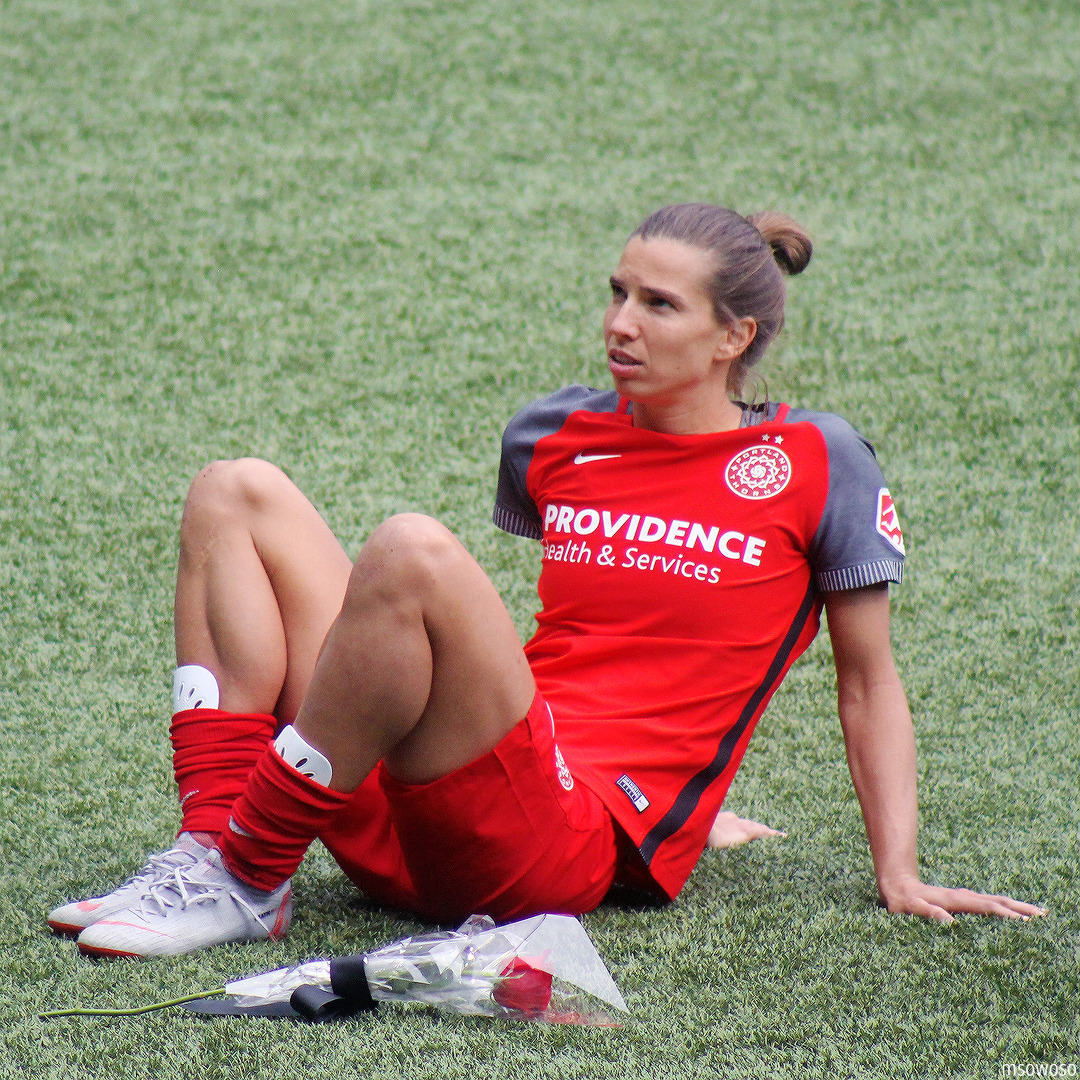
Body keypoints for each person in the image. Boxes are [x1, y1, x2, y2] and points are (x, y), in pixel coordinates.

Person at [48, 204, 1044, 958]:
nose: (620, 323)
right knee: (234, 492)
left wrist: (896, 868)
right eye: (617, 293)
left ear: (733, 337)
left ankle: (250, 867)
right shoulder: (555, 431)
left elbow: (867, 679)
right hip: (430, 799)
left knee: (413, 552)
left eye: (658, 304)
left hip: (557, 848)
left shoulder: (819, 460)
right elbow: (591, 646)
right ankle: (216, 851)